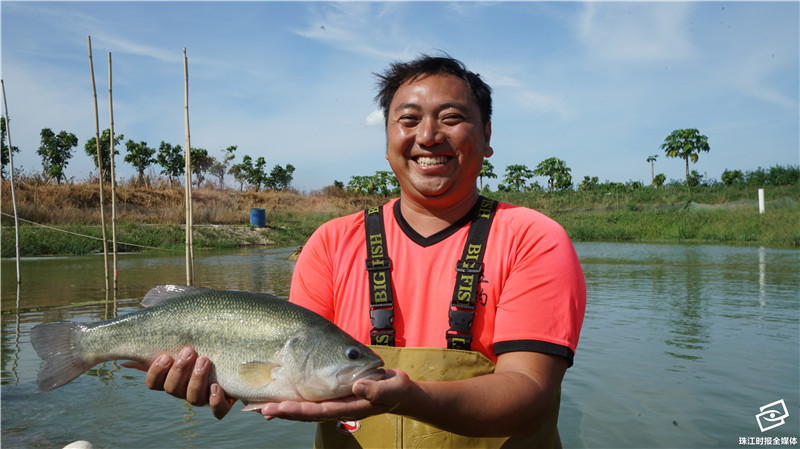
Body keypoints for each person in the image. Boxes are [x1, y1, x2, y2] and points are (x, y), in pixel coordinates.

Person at [138, 54, 586, 448]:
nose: (428, 136)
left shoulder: (533, 238)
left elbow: (528, 396)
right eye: (408, 120)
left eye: (451, 118)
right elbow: (288, 371)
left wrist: (410, 398)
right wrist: (220, 380)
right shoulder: (331, 243)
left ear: (486, 136)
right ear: (388, 140)